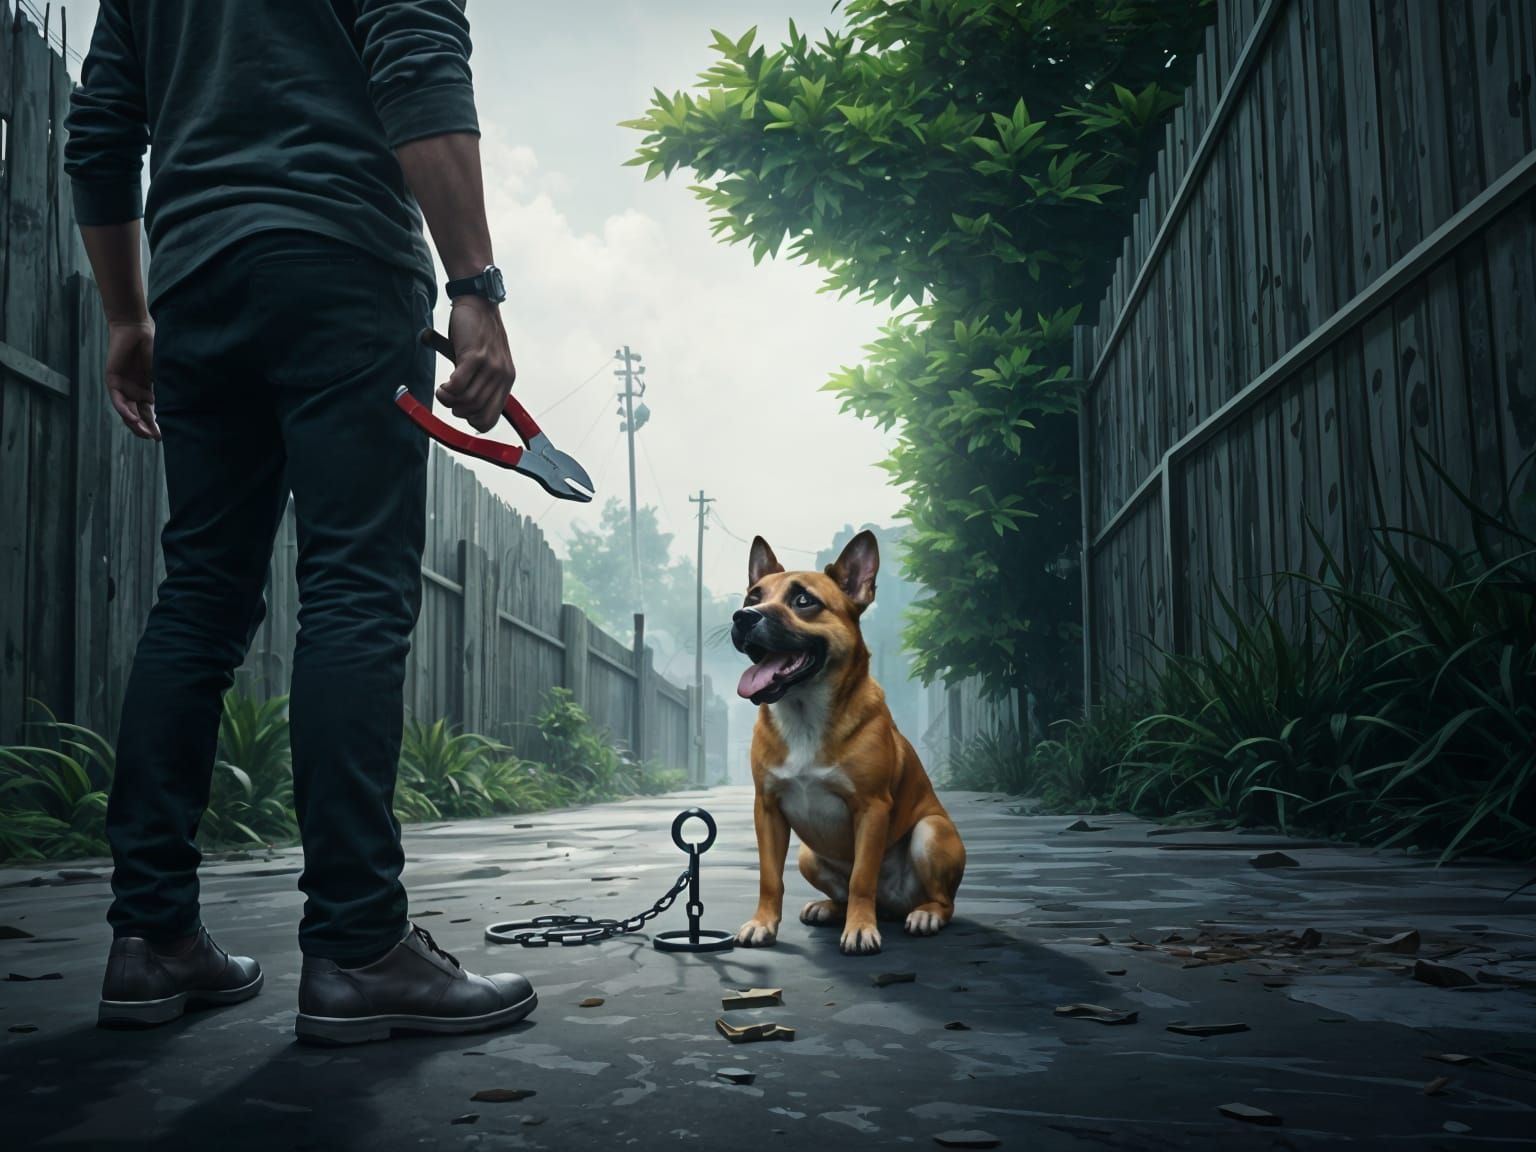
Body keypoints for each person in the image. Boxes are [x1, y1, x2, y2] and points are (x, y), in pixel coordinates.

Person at [64, 0, 537, 1045]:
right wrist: (476, 287)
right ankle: (361, 949)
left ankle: (150, 943)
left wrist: (129, 315)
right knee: (355, 592)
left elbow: (100, 133)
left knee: (197, 597)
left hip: (198, 285)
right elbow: (418, 63)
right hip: (340, 266)